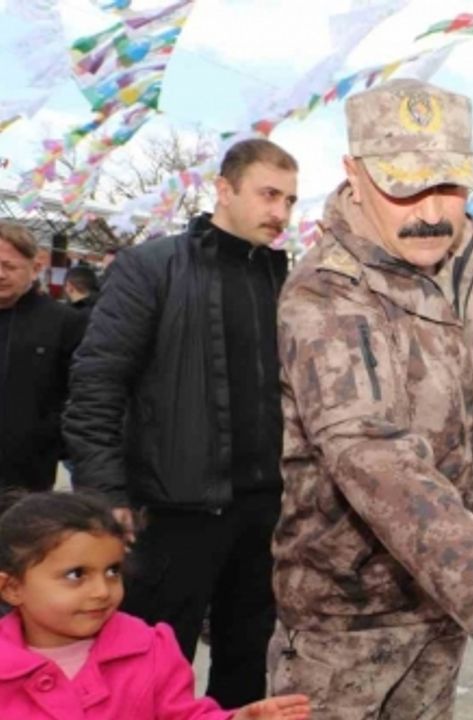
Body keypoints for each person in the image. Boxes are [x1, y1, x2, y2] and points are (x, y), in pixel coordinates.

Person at [268, 79, 473, 718]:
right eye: (405, 184)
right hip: (349, 620)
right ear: (353, 175)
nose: (432, 211)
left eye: (449, 185)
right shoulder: (325, 294)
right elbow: (371, 454)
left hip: (446, 602)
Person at [63, 138, 299, 707]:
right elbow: (96, 383)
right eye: (269, 194)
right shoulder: (153, 266)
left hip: (266, 512)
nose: (281, 213)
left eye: (291, 200)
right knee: (149, 666)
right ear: (224, 189)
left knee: (248, 663)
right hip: (171, 511)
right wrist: (104, 493)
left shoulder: (287, 284)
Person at [0, 491, 310, 719]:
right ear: (12, 588)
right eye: (75, 575)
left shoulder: (149, 649)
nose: (101, 591)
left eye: (112, 571)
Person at [0, 223, 86, 492]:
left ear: (35, 267)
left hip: (26, 476)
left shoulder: (63, 322)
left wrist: (50, 439)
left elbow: (82, 392)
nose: (0, 274)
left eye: (9, 266)